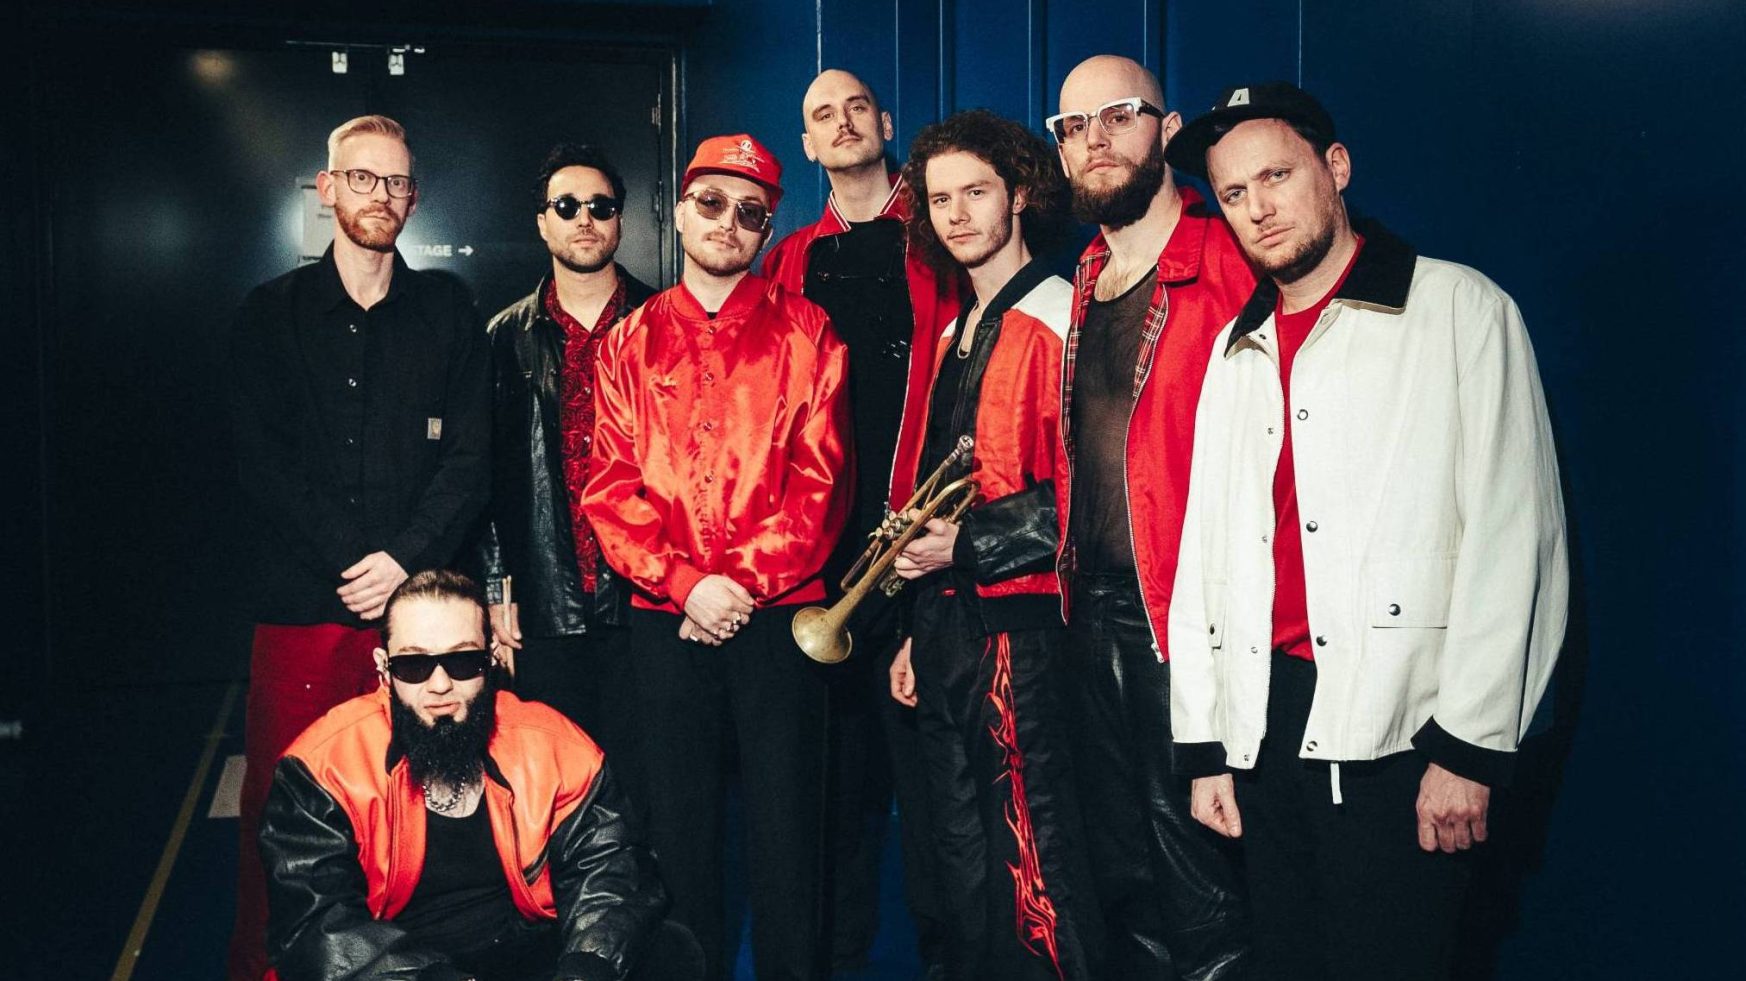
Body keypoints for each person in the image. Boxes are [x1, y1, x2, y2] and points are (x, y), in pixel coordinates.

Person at [1164, 81, 1569, 980]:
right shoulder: (1236, 351)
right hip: (1266, 729)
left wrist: (1469, 749)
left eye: (1277, 175)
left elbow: (1517, 539)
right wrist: (1207, 745)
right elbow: (1206, 559)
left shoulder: (1460, 310)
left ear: (1336, 167)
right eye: (1233, 193)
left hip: (1404, 732)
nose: (1258, 208)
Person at [581, 134, 851, 980]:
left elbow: (822, 483)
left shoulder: (809, 333)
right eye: (711, 203)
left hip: (780, 620)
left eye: (750, 212)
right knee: (677, 828)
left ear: (768, 229)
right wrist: (687, 584)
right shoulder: (627, 342)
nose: (728, 223)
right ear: (679, 209)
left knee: (787, 828)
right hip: (666, 619)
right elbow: (608, 486)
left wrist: (735, 588)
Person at [227, 114, 490, 981]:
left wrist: (404, 564)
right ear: (327, 187)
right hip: (305, 611)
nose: (382, 194)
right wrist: (359, 562)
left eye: (397, 181)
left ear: (413, 198)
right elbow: (262, 465)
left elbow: (471, 461)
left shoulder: (449, 311)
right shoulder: (269, 315)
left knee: (420, 813)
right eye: (364, 177)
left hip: (424, 623)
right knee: (287, 812)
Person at [1047, 54, 1255, 978]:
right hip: (1086, 612)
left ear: (1168, 132)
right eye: (1073, 126)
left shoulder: (1230, 258)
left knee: (1203, 883)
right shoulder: (1087, 271)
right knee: (1122, 876)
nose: (1095, 140)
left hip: (1185, 623)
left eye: (1120, 115)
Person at [885, 108, 1095, 981]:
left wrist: (964, 545)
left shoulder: (1061, 316)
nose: (958, 214)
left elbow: (1093, 497)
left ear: (1019, 194)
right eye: (941, 200)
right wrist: (913, 626)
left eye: (976, 192)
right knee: (958, 857)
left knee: (1033, 855)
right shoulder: (953, 331)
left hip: (1022, 627)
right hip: (946, 625)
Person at [259, 569, 699, 981]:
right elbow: (317, 924)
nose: (439, 686)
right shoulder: (322, 766)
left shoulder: (552, 744)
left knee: (670, 949)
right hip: (402, 966)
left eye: (462, 661)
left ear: (491, 661)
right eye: (413, 665)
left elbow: (610, 871)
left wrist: (584, 967)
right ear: (384, 668)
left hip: (524, 952)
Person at [761, 68, 958, 972]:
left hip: (926, 551)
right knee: (833, 801)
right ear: (806, 145)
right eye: (820, 115)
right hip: (825, 562)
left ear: (886, 122)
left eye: (855, 108)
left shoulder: (945, 233)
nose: (841, 124)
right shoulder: (789, 259)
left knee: (939, 801)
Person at [476, 143, 654, 750]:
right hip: (545, 600)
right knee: (551, 773)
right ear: (542, 222)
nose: (585, 219)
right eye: (567, 205)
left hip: (647, 599)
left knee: (645, 778)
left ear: (619, 220)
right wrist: (497, 591)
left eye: (601, 207)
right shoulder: (503, 337)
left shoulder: (661, 321)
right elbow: (485, 474)